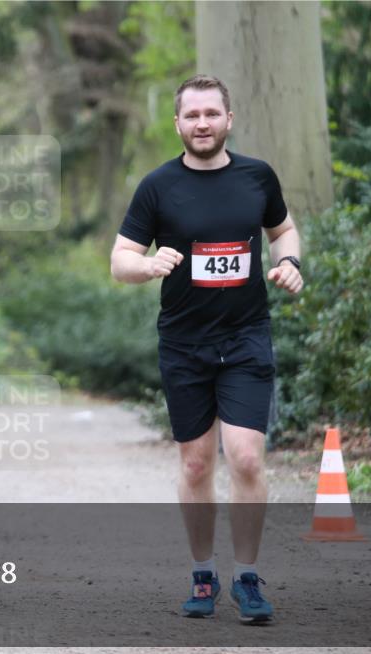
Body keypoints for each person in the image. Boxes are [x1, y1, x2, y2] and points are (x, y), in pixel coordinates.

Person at [110, 74, 303, 624]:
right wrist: (146, 265)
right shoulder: (157, 186)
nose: (202, 124)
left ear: (228, 120)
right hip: (185, 342)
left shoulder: (257, 178)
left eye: (211, 115)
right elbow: (120, 258)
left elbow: (284, 230)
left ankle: (246, 577)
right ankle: (202, 573)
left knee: (244, 455)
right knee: (195, 463)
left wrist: (289, 262)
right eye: (191, 116)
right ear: (177, 124)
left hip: (245, 337)